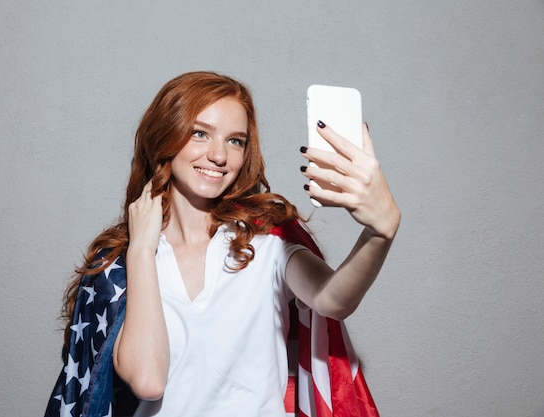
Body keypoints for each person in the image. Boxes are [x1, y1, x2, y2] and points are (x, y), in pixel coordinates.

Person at [45, 71, 400, 417]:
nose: (219, 155)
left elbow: (332, 300)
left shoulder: (266, 240)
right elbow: (148, 382)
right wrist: (140, 249)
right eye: (200, 134)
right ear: (164, 139)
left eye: (235, 140)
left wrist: (379, 233)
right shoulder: (120, 265)